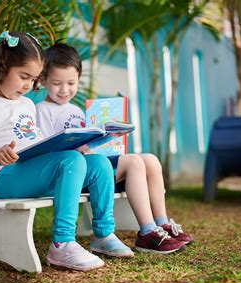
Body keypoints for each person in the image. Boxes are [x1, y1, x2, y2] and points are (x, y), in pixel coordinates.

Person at [0, 31, 134, 272]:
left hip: (33, 170)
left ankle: (103, 235)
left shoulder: (26, 104)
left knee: (99, 164)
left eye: (33, 79)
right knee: (70, 161)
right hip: (7, 177)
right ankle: (62, 244)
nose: (29, 85)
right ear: (2, 67)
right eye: (23, 77)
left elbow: (34, 140)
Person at [36, 42, 193, 254]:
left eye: (71, 83)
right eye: (57, 83)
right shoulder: (41, 111)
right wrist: (75, 151)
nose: (65, 90)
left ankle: (162, 224)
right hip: (72, 176)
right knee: (134, 162)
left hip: (92, 166)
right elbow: (45, 152)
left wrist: (107, 137)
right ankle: (147, 233)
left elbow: (87, 144)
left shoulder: (76, 111)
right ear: (43, 79)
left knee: (151, 160)